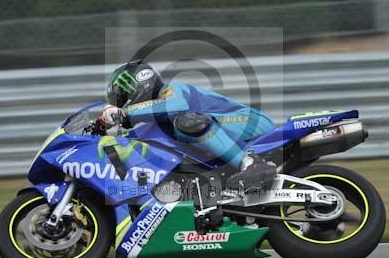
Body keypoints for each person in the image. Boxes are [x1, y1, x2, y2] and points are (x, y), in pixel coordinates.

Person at [97, 60, 277, 191]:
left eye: (120, 98)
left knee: (187, 122)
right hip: (229, 131)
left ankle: (251, 164)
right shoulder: (157, 119)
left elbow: (177, 106)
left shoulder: (171, 90)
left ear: (133, 85)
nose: (120, 104)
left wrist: (126, 113)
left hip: (249, 122)